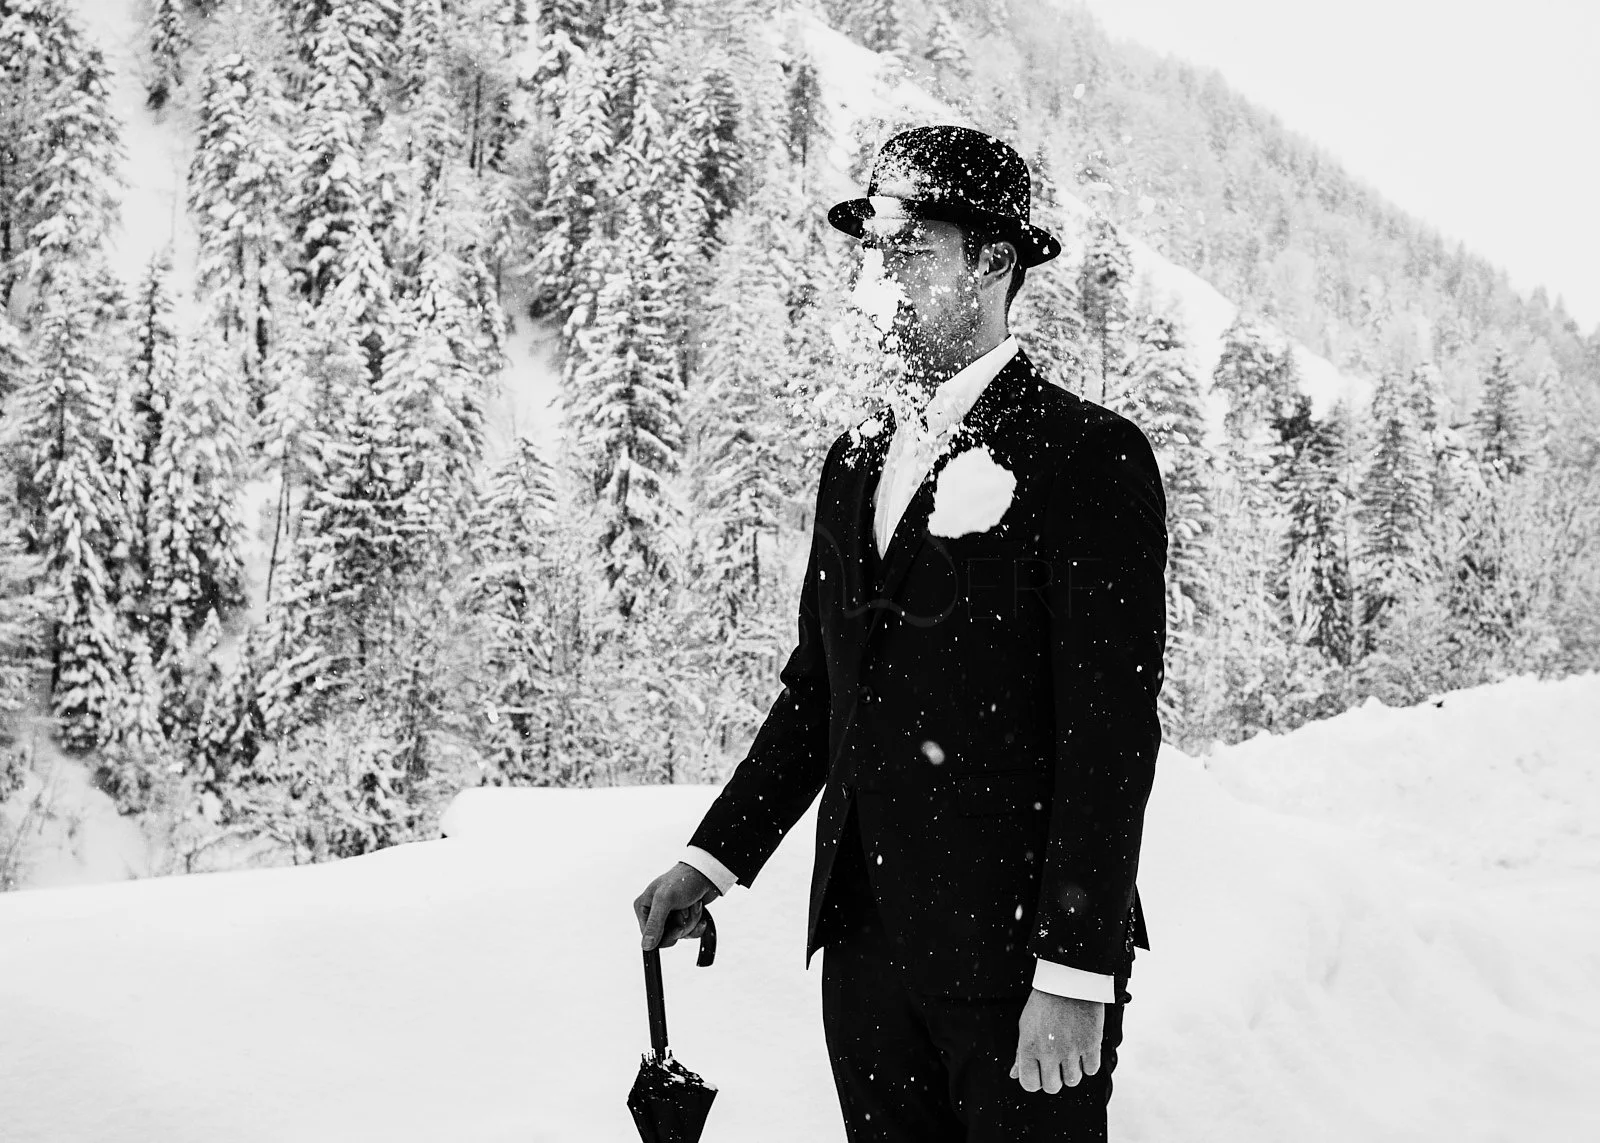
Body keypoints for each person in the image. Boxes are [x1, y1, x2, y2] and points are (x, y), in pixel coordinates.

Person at [633, 125, 1167, 1141]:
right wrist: (712, 861)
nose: (884, 281)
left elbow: (1109, 729)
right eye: (876, 255)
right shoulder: (854, 460)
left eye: (912, 251)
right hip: (865, 950)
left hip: (1017, 965)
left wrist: (1073, 970)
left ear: (996, 261)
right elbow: (821, 691)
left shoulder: (1085, 455)